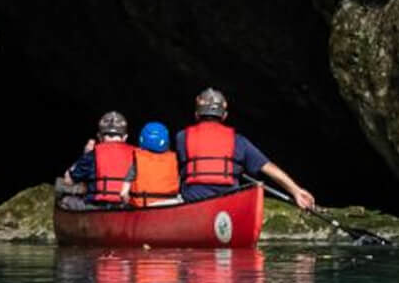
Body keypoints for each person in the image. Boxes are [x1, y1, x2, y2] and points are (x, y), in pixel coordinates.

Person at [176, 88, 316, 209]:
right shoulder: (239, 141)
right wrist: (296, 191)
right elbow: (268, 167)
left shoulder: (182, 137)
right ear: (224, 115)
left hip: (194, 201)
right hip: (229, 202)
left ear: (196, 115)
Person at [60, 111, 135, 208]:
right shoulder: (136, 155)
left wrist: (85, 155)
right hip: (127, 208)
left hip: (96, 207)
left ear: (99, 136)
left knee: (65, 200)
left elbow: (68, 180)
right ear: (125, 137)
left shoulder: (92, 154)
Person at [130, 121, 182, 206]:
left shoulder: (137, 160)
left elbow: (123, 193)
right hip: (171, 204)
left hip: (144, 205)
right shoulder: (174, 159)